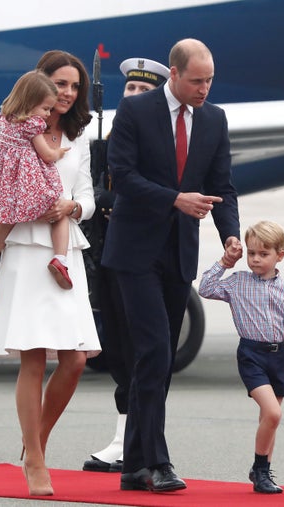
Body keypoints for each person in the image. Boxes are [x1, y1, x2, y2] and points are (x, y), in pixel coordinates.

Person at [102, 38, 242, 492]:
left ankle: (133, 465)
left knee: (155, 362)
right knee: (156, 351)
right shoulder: (136, 112)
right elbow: (122, 176)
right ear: (175, 75)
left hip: (178, 252)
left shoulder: (214, 119)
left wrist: (230, 234)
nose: (205, 89)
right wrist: (174, 199)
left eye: (210, 80)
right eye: (197, 81)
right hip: (134, 251)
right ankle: (157, 461)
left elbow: (222, 184)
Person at [0, 50, 101, 496]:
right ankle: (35, 460)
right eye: (61, 85)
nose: (68, 94)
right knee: (33, 357)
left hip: (64, 246)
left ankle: (35, 444)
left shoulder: (79, 134)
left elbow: (86, 193)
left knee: (75, 359)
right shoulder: (14, 128)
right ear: (41, 84)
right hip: (25, 248)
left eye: (75, 86)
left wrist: (73, 207)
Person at [82, 56, 170, 474]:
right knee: (116, 350)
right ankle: (123, 435)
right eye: (130, 89)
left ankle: (132, 441)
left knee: (139, 351)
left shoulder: (163, 140)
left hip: (141, 257)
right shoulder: (107, 139)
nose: (134, 96)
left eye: (144, 90)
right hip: (106, 256)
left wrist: (110, 199)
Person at [198, 220, 284, 494]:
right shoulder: (238, 283)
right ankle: (260, 468)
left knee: (269, 418)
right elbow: (205, 288)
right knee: (273, 413)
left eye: (263, 254)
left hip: (276, 356)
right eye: (251, 253)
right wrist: (226, 261)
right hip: (251, 354)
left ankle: (264, 472)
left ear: (279, 256)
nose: (255, 259)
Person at [0, 70, 73, 310]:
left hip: (6, 190)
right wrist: (59, 152)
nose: (48, 114)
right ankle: (60, 259)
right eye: (45, 108)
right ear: (31, 103)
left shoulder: (6, 117)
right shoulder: (32, 124)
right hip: (26, 187)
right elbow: (47, 155)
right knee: (58, 211)